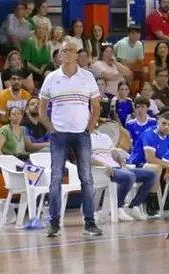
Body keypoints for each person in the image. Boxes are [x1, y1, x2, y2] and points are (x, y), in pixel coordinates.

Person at [38, 42, 102, 237]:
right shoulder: (51, 78)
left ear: (76, 55)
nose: (66, 54)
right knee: (56, 177)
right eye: (63, 51)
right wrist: (51, 129)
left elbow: (96, 107)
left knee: (87, 177)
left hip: (81, 133)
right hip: (59, 135)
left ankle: (90, 222)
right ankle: (54, 223)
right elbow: (41, 110)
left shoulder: (87, 77)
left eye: (70, 51)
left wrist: (89, 128)